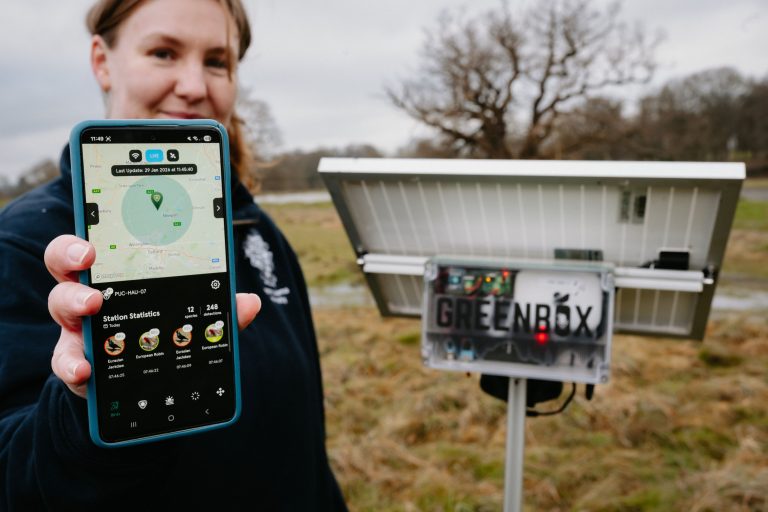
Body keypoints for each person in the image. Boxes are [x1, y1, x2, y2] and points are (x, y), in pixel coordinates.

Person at [0, 0, 347, 509]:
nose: (194, 86)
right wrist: (82, 413)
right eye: (163, 52)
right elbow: (16, 484)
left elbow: (302, 439)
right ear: (102, 60)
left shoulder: (253, 227)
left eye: (216, 61)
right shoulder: (26, 246)